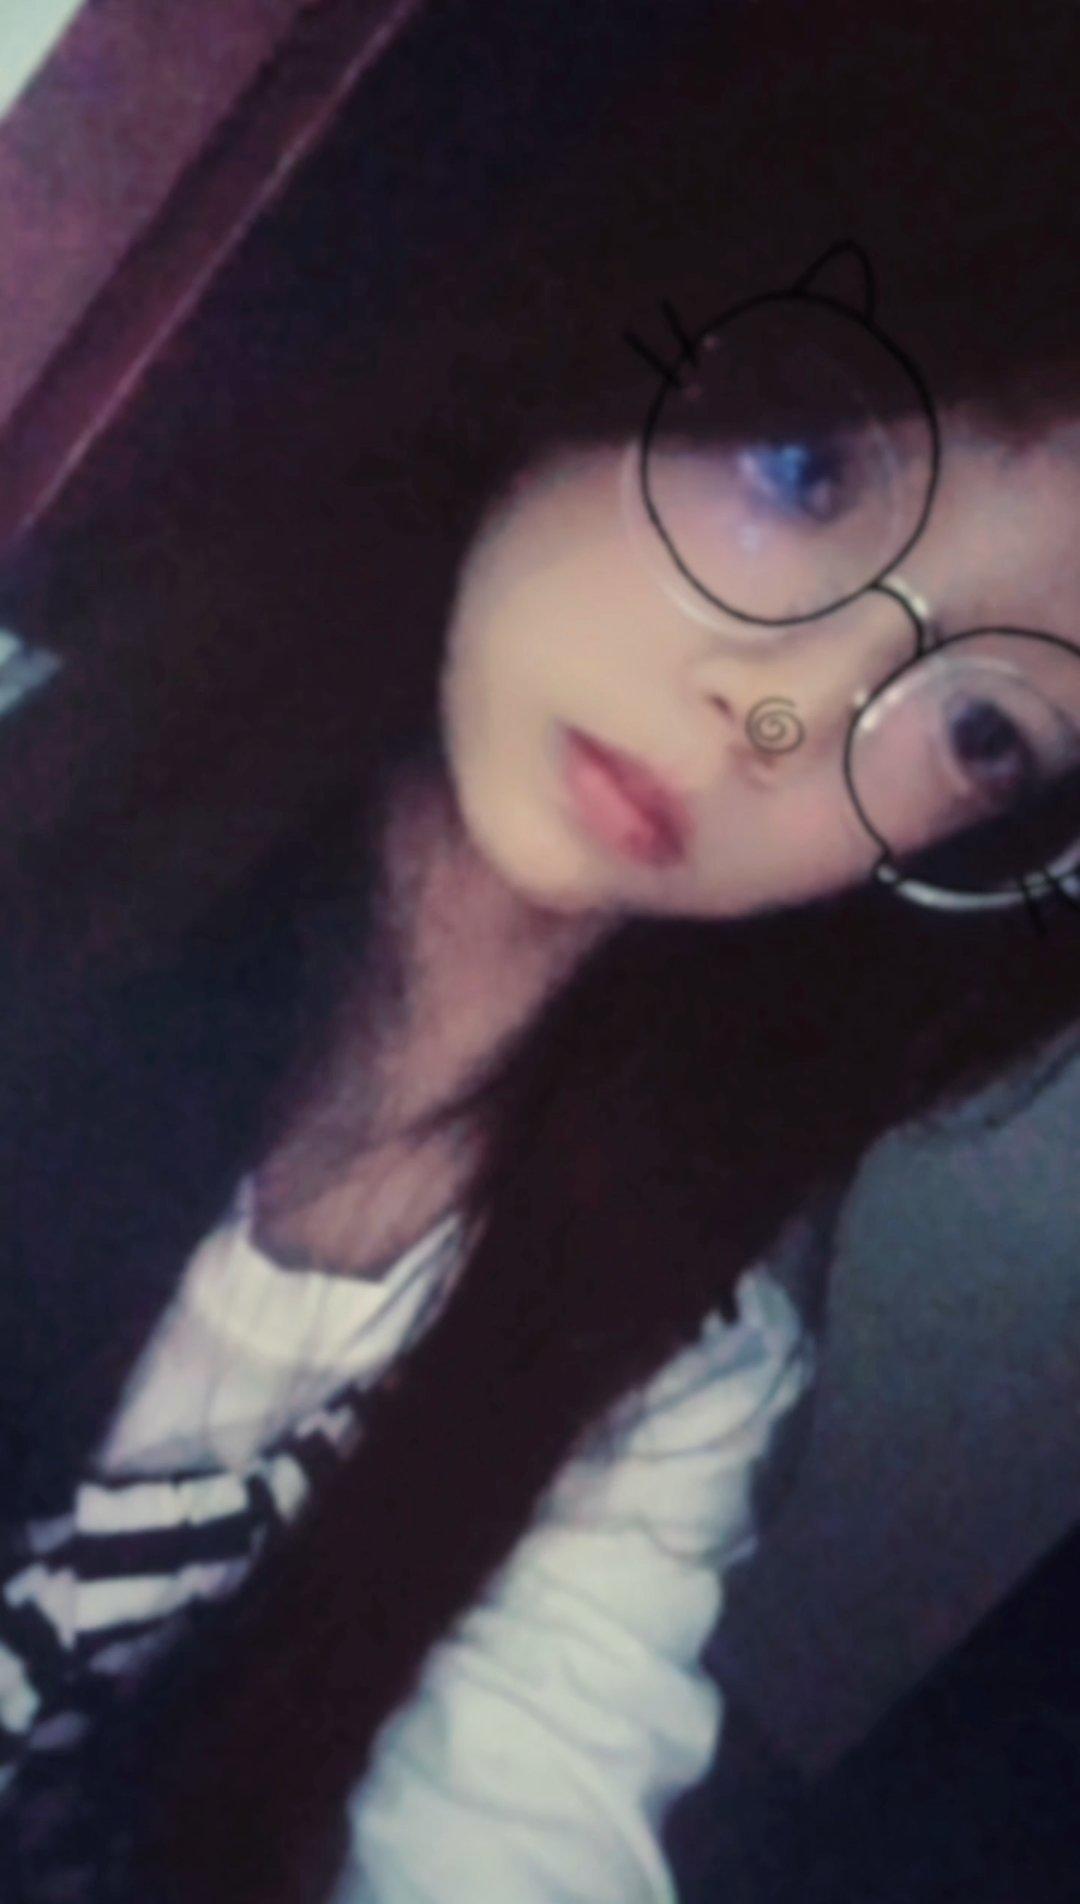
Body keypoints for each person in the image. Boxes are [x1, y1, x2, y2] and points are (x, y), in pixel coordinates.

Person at [0, 2, 1078, 1899]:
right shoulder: (49, 750)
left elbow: (523, 1821)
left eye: (982, 727)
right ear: (655, 299)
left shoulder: (672, 1349)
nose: (782, 712)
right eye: (810, 469)